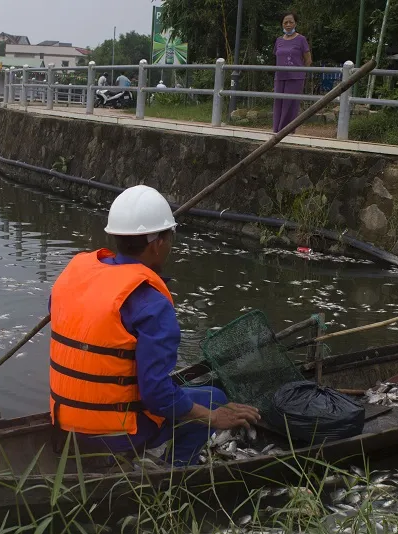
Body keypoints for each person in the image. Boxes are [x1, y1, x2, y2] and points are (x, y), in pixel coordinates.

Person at [48, 186, 261, 466]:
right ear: (157, 244)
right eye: (170, 237)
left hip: (64, 423)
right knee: (215, 399)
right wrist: (214, 417)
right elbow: (157, 396)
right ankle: (175, 475)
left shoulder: (75, 274)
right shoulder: (152, 303)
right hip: (113, 432)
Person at [272, 11, 312, 133]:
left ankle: (287, 131)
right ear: (282, 24)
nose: (288, 24)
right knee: (278, 103)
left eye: (291, 22)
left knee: (290, 105)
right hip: (279, 76)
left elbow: (308, 60)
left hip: (295, 77)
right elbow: (277, 56)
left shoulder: (301, 39)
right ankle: (277, 130)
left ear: (295, 23)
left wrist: (300, 73)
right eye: (285, 22)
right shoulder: (279, 40)